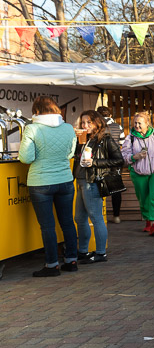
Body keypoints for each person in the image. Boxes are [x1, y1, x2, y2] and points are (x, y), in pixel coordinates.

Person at [18, 97, 78, 277]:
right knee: (67, 222)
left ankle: (52, 265)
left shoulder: (32, 129)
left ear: (36, 111)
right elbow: (70, 154)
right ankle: (71, 260)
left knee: (47, 226)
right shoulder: (68, 128)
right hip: (65, 180)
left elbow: (26, 158)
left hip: (41, 182)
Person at [73, 109, 124, 264]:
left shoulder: (105, 139)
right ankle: (83, 251)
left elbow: (119, 160)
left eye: (89, 122)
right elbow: (76, 157)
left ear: (97, 122)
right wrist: (75, 140)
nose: (85, 125)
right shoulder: (83, 139)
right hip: (81, 180)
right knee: (79, 218)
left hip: (93, 182)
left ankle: (101, 252)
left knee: (96, 217)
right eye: (83, 122)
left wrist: (95, 162)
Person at [121, 111, 154, 236]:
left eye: (140, 123)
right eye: (135, 123)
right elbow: (124, 157)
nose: (137, 125)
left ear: (147, 123)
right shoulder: (130, 138)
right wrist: (135, 157)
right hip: (138, 172)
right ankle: (148, 220)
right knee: (143, 198)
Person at [97, 106, 124, 224]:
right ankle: (116, 216)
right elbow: (122, 144)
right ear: (110, 115)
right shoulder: (118, 127)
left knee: (98, 188)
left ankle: (100, 215)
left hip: (99, 161)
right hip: (114, 162)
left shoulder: (97, 127)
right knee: (116, 189)